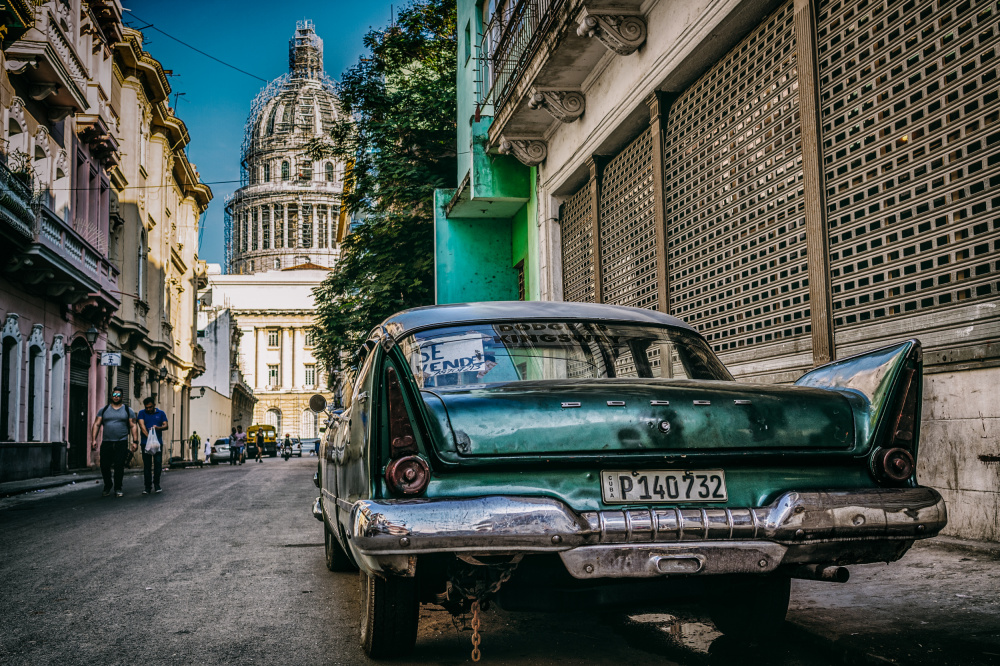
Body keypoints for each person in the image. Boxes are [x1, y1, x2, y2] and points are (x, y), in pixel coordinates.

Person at [91, 387, 139, 497]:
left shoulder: (128, 410)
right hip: (107, 442)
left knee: (119, 466)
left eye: (118, 395)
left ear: (122, 397)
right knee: (104, 465)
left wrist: (135, 441)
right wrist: (93, 439)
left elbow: (133, 425)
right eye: (114, 395)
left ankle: (118, 488)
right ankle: (108, 485)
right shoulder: (103, 410)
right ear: (111, 396)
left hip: (121, 442)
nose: (116, 397)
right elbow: (97, 424)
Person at [137, 396, 169, 494]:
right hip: (145, 443)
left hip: (157, 444)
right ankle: (147, 487)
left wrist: (158, 428)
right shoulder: (141, 413)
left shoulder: (161, 413)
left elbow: (166, 425)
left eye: (150, 407)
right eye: (146, 407)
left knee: (157, 464)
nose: (148, 409)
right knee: (147, 465)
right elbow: (142, 426)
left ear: (154, 405)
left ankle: (157, 484)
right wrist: (150, 438)